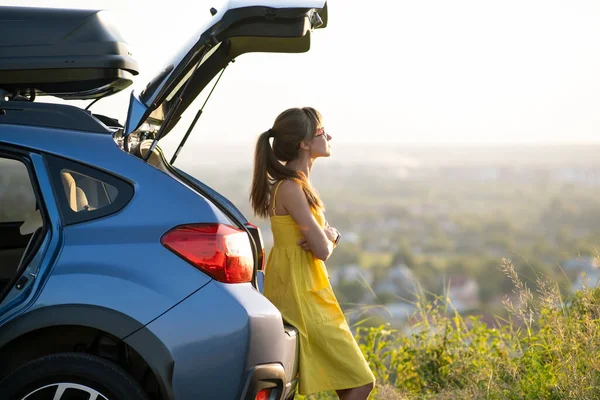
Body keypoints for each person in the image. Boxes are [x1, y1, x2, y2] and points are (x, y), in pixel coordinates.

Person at [250, 107, 375, 400]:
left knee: (342, 383)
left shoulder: (295, 186)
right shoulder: (292, 188)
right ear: (304, 144)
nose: (329, 136)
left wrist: (328, 237)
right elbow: (321, 249)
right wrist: (331, 235)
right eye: (321, 132)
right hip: (302, 293)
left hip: (303, 288)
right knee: (360, 382)